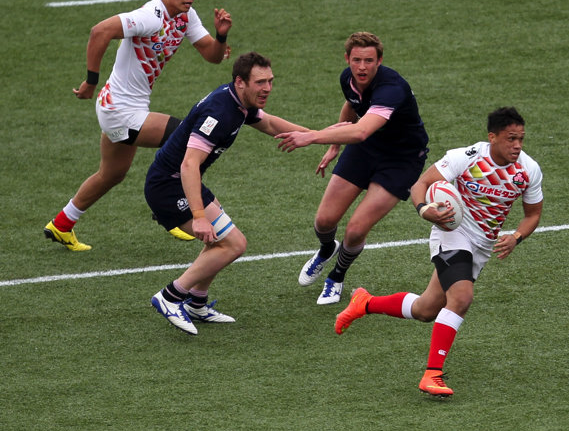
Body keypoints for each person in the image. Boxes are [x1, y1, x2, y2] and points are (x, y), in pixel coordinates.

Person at [330, 106, 542, 397]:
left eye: (521, 139)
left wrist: (516, 237)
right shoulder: (466, 158)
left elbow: (533, 215)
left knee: (427, 309)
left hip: (481, 245)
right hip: (452, 233)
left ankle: (364, 303)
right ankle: (432, 374)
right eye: (510, 139)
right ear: (492, 137)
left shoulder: (528, 171)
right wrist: (424, 209)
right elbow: (422, 183)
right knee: (462, 297)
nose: (517, 145)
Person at [45, 0, 233, 252]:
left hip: (126, 109)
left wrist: (221, 37)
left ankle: (62, 224)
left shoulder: (186, 17)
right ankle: (171, 212)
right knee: (186, 140)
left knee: (111, 174)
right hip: (119, 111)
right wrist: (90, 81)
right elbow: (100, 31)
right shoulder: (150, 17)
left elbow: (211, 55)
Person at [145, 52, 309, 334]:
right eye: (260, 82)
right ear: (240, 82)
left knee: (218, 239)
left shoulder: (238, 102)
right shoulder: (219, 113)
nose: (267, 88)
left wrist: (318, 135)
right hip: (170, 186)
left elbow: (269, 124)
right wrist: (198, 216)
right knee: (233, 244)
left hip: (179, 181)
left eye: (270, 81)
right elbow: (189, 164)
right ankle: (170, 297)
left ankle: (196, 302)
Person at [274, 31, 430, 305]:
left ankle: (336, 276)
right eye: (356, 60)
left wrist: (313, 136)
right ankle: (325, 250)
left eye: (369, 60)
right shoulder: (348, 78)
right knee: (324, 221)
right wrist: (334, 147)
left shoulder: (391, 88)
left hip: (400, 160)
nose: (362, 67)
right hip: (367, 148)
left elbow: (359, 132)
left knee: (356, 230)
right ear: (347, 58)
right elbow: (352, 105)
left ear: (379, 61)